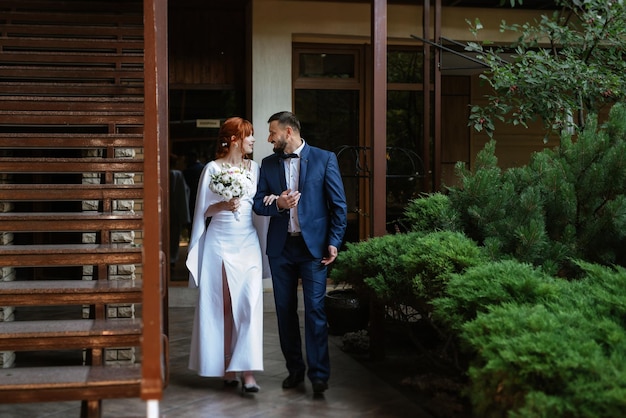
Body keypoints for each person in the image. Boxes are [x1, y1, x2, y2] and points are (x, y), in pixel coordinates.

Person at [252, 111, 348, 395]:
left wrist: (334, 241)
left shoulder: (325, 158)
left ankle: (319, 376)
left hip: (314, 250)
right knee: (284, 312)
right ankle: (295, 371)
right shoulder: (267, 164)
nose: (269, 138)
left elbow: (339, 206)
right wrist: (279, 204)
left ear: (289, 132)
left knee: (315, 311)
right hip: (281, 249)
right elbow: (258, 203)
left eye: (272, 133)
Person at [186, 117, 264, 394]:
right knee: (225, 305)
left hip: (248, 241)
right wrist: (221, 204)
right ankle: (229, 366)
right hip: (220, 240)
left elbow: (259, 205)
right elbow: (201, 212)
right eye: (249, 135)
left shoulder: (255, 168)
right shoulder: (212, 169)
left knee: (249, 303)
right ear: (234, 139)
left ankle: (249, 370)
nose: (253, 140)